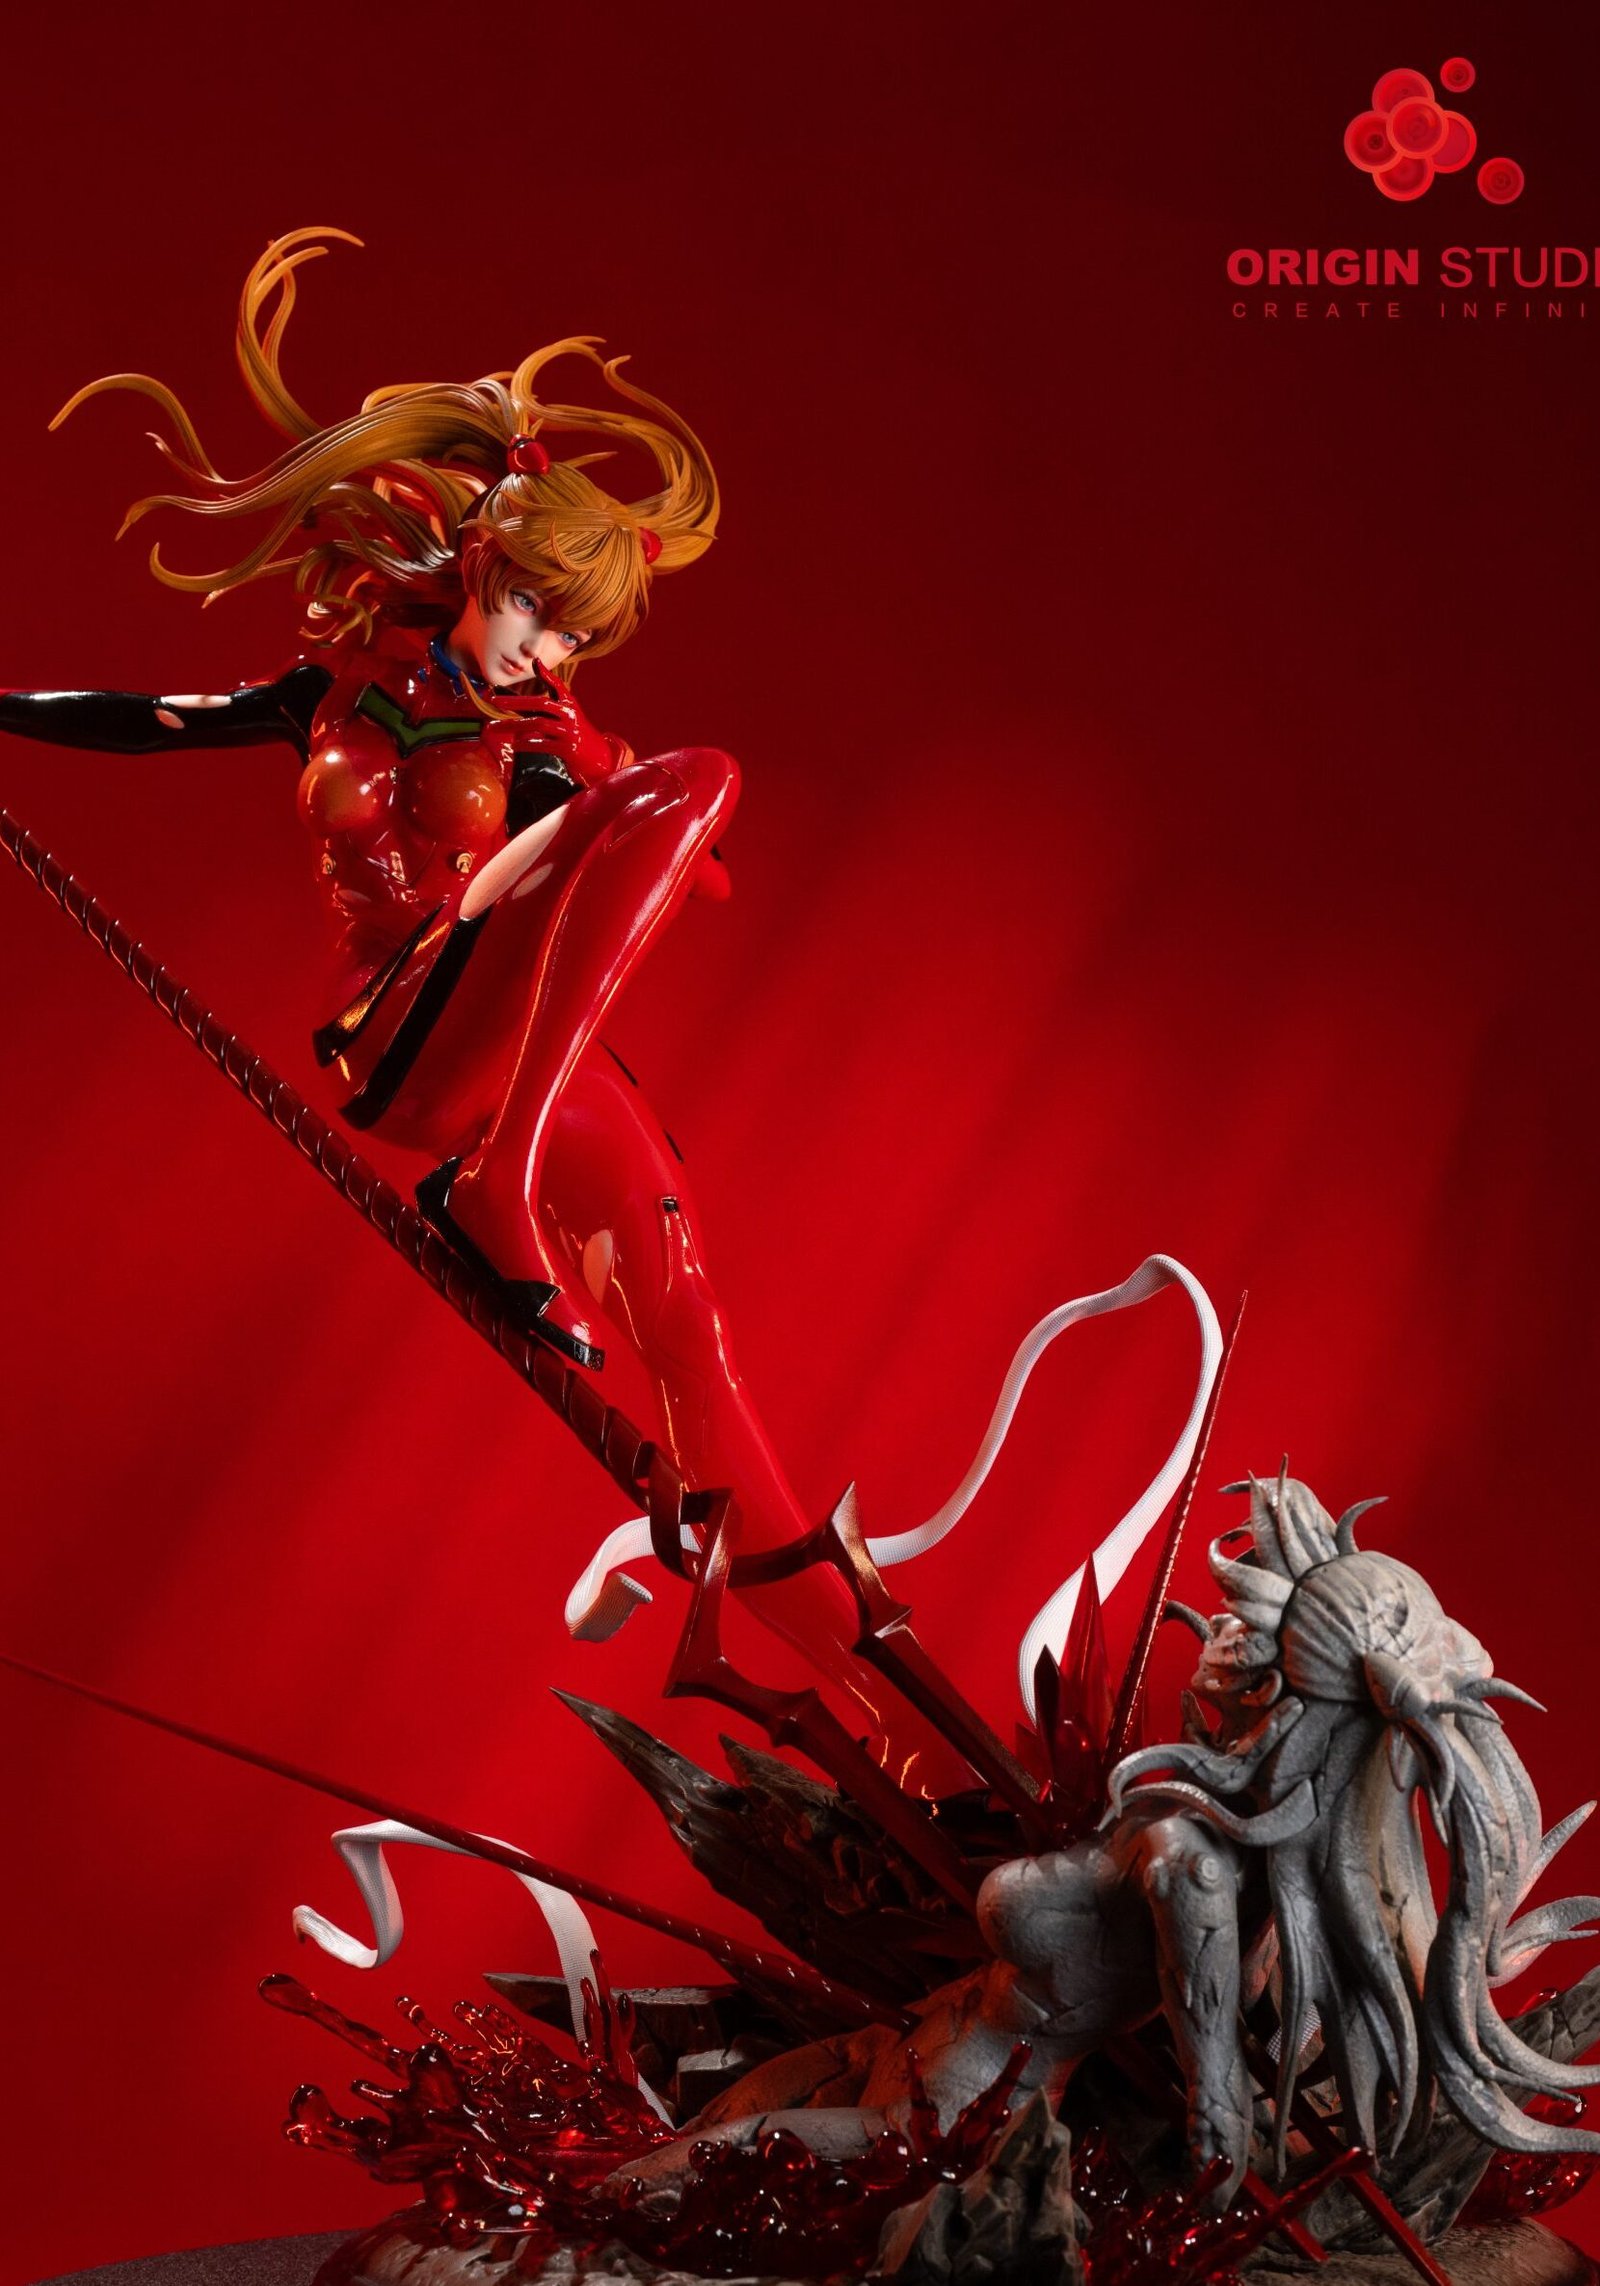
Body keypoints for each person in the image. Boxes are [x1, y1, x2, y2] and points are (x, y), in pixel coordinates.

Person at [0, 229, 967, 1786]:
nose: (545, 645)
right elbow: (150, 718)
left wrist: (608, 811)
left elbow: (653, 855)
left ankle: (885, 1705)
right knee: (694, 782)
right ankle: (500, 1179)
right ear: (477, 564)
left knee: (691, 1335)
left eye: (574, 632)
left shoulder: (548, 739)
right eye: (535, 605)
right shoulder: (332, 690)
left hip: (529, 1051)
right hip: (406, 1036)